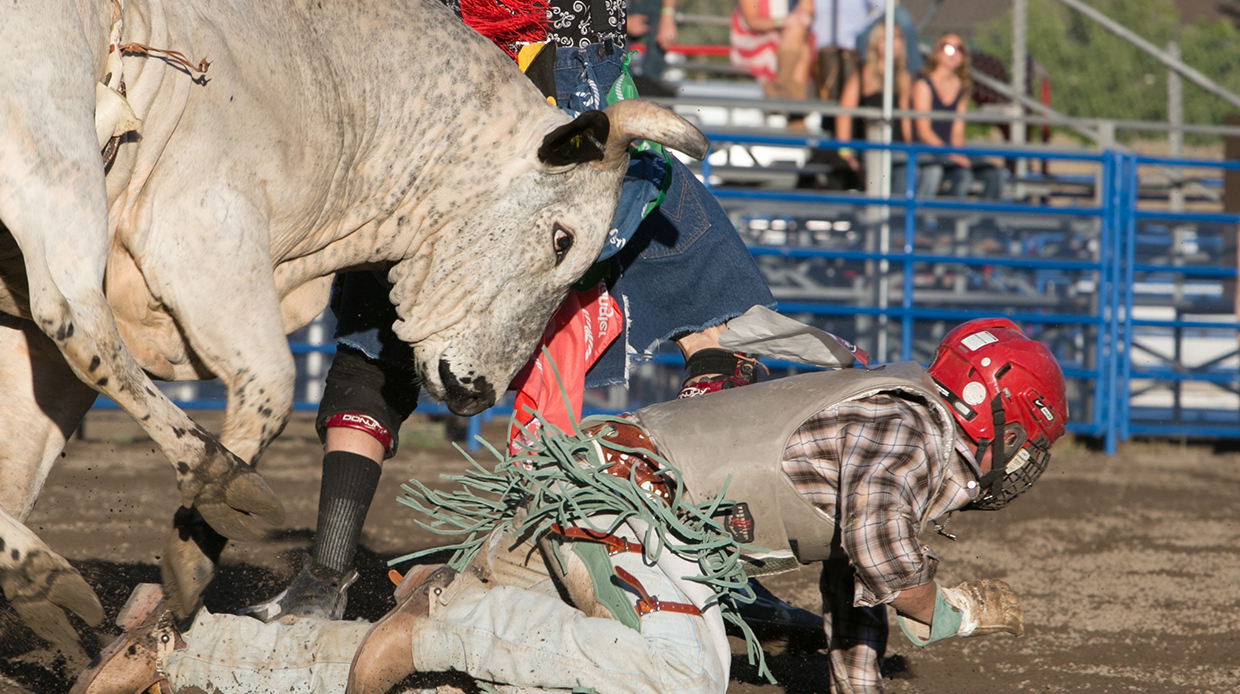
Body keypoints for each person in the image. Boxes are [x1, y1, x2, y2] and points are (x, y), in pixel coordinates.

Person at [77, 315, 1069, 694]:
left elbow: (855, 579)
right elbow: (884, 558)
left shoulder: (893, 406)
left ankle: (185, 655)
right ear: (1005, 426)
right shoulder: (912, 431)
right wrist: (952, 610)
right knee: (685, 675)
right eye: (1033, 438)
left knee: (481, 677)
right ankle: (443, 624)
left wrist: (859, 667)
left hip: (599, 499)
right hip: (624, 507)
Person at [233, 0, 776, 624]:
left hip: (550, 107)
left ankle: (720, 564)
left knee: (688, 266)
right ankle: (324, 575)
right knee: (374, 341)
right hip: (449, 128)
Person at [912, 33, 1007, 200]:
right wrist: (951, 154)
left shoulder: (961, 85)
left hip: (949, 151)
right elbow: (923, 131)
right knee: (962, 176)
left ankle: (984, 223)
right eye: (948, 48)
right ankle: (947, 224)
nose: (954, 53)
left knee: (995, 173)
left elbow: (957, 130)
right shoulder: (923, 83)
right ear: (937, 52)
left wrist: (957, 153)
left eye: (960, 49)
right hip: (929, 150)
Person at [834, 22, 924, 196]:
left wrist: (909, 148)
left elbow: (906, 118)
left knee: (920, 172)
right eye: (886, 39)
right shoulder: (863, 75)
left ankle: (903, 218)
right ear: (876, 43)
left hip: (897, 149)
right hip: (871, 147)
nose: (893, 43)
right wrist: (846, 154)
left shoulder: (903, 77)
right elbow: (844, 114)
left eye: (897, 38)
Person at [729, 0, 814, 100]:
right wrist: (783, 21)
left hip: (789, 37)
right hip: (754, 38)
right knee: (801, 46)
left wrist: (804, 18)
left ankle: (784, 96)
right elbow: (753, 21)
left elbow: (809, 11)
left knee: (800, 40)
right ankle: (792, 103)